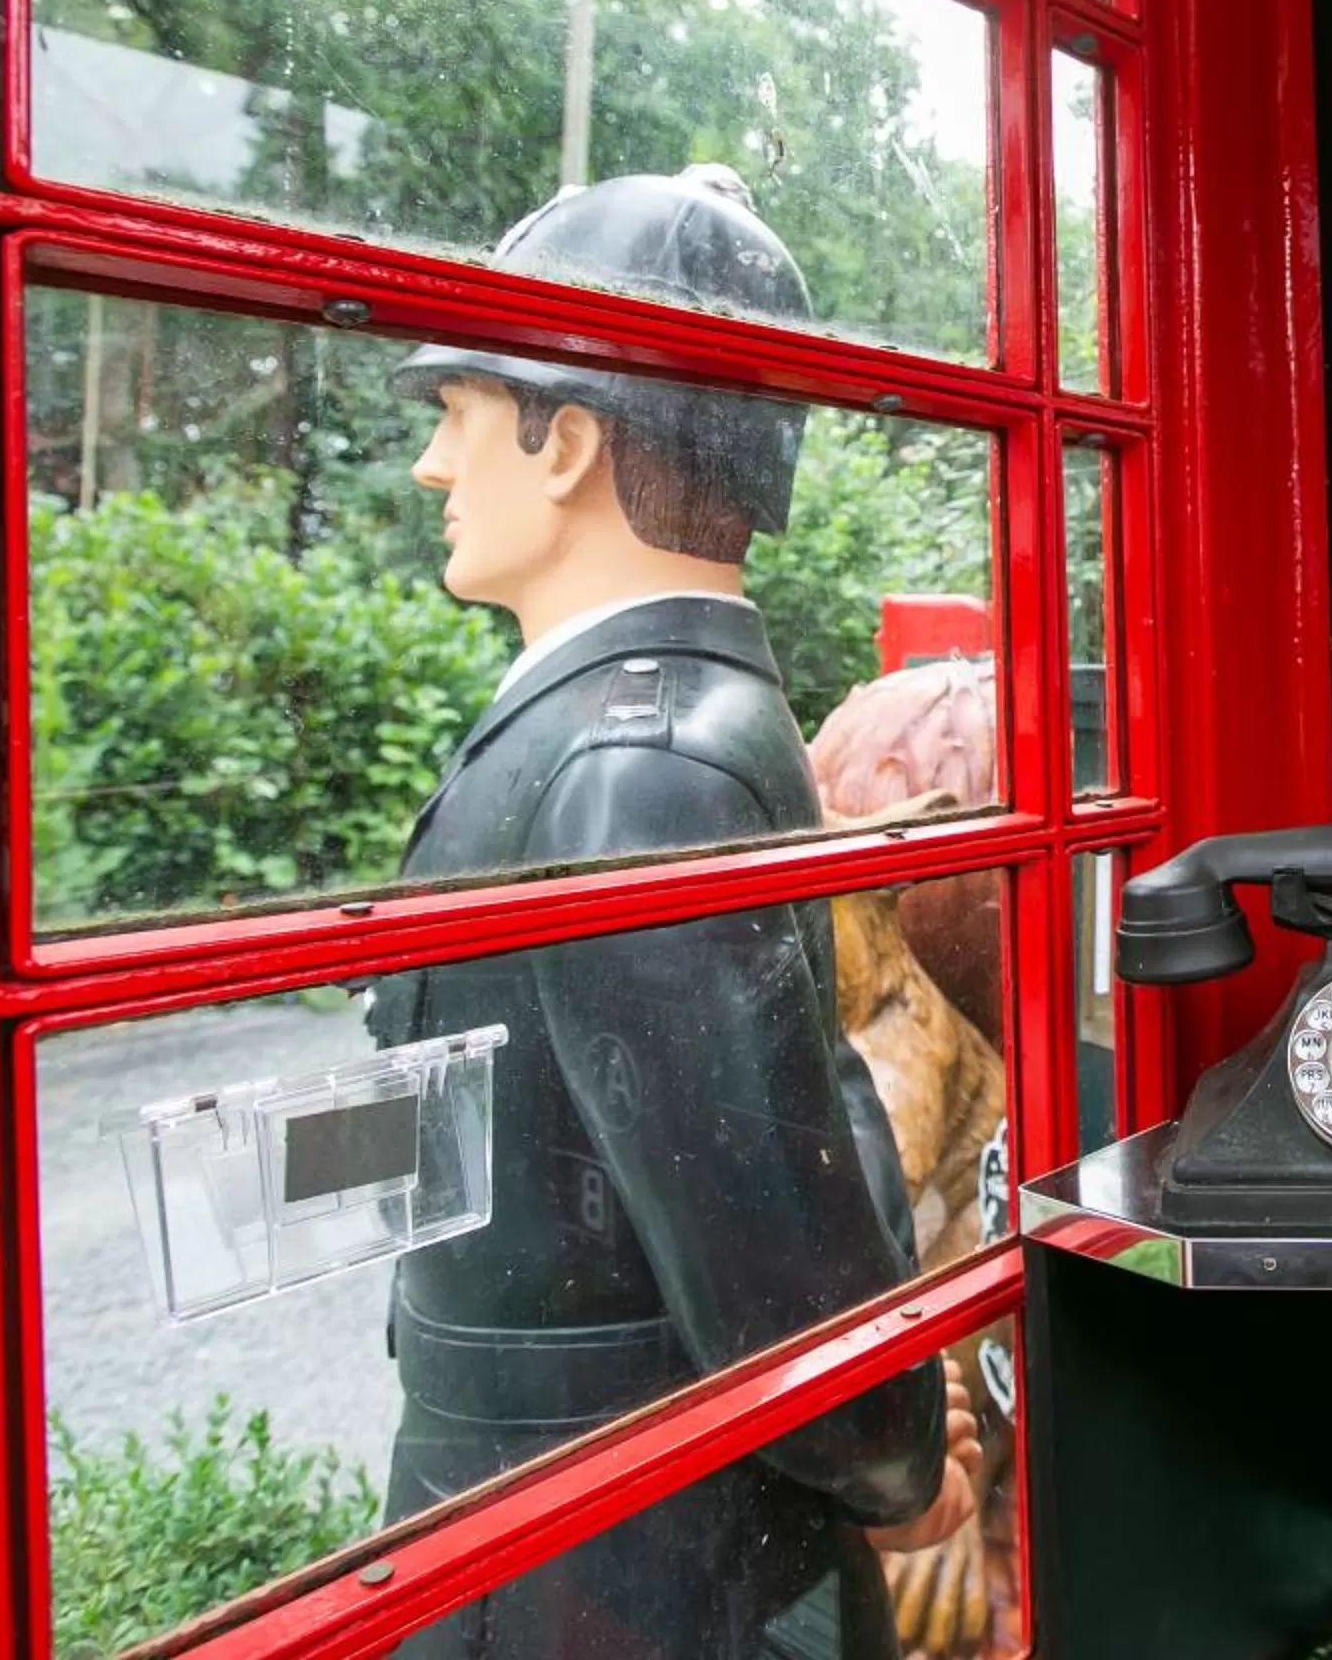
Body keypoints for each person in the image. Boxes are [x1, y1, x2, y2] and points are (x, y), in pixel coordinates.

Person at [365, 166, 979, 1658]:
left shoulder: (642, 764)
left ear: (568, 440)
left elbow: (767, 1233)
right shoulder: (635, 732)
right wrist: (889, 1422)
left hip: (622, 1563)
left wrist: (889, 1460)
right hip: (583, 1528)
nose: (432, 467)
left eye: (456, 413)